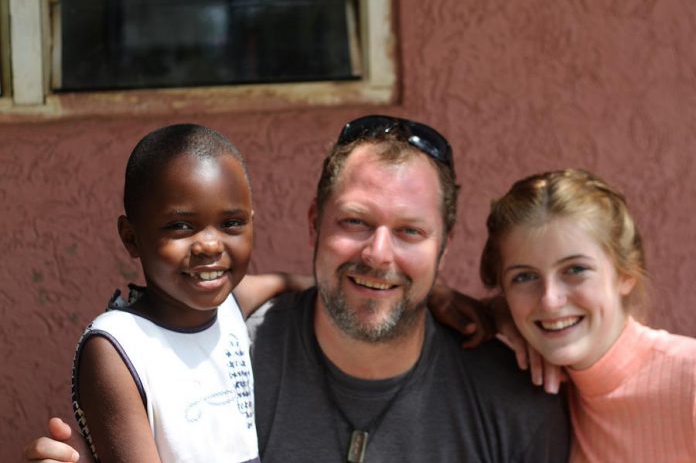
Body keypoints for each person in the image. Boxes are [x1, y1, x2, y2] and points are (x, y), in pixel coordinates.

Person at [24, 115, 569, 462]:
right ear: (314, 223)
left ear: (444, 248)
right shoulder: (227, 358)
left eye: (409, 232)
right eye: (355, 222)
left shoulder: (514, 402)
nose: (378, 254)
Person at [66, 124, 310, 463]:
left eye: (231, 224)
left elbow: (284, 282)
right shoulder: (118, 348)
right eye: (180, 226)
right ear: (131, 237)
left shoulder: (231, 305)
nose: (210, 245)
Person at [479, 168, 696, 462]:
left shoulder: (689, 381)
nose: (550, 300)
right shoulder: (539, 390)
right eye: (524, 277)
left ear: (625, 273)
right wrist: (492, 316)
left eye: (576, 270)